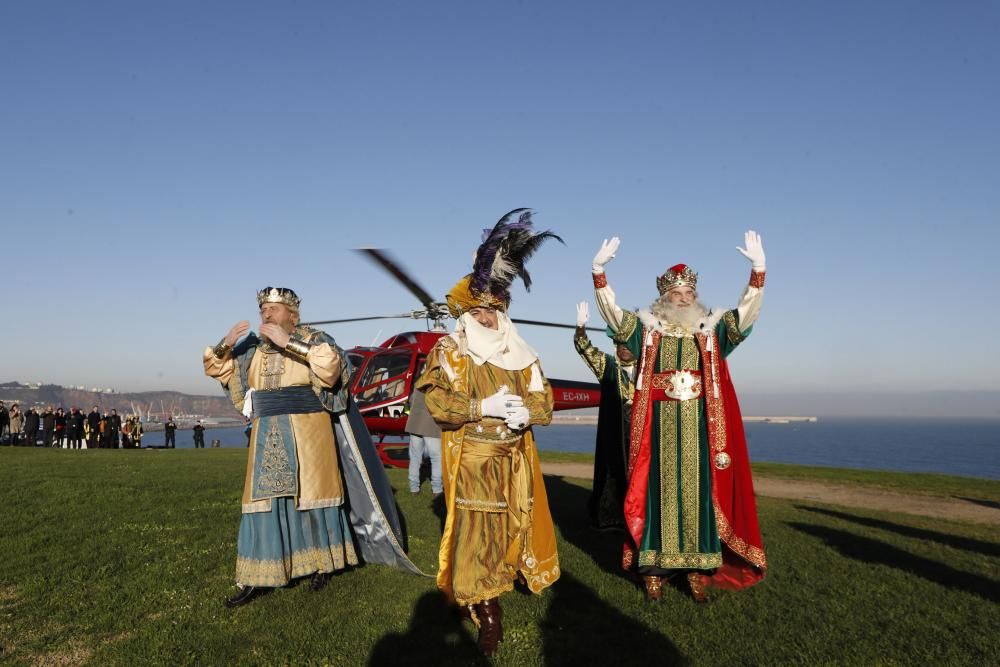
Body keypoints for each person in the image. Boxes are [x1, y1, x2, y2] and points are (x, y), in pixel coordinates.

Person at [203, 286, 421, 608]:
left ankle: (322, 564)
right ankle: (256, 576)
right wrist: (226, 343)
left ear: (292, 314)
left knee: (314, 497)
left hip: (309, 431)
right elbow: (216, 368)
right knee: (261, 502)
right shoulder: (252, 349)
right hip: (268, 432)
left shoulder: (315, 339)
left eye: (273, 309)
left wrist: (287, 342)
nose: (266, 314)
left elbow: (332, 370)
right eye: (263, 309)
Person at [591, 232, 768, 603]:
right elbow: (614, 315)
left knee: (700, 494)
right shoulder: (647, 329)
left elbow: (746, 315)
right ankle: (654, 571)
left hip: (702, 427)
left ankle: (695, 570)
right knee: (657, 493)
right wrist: (599, 274)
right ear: (664, 297)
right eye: (677, 294)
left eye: (689, 293)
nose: (684, 299)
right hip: (657, 428)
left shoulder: (712, 330)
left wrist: (758, 270)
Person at [416, 210, 562, 656]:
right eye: (478, 311)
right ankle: (488, 610)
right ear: (464, 314)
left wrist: (526, 414)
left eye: (493, 311)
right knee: (477, 534)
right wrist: (483, 407)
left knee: (509, 531)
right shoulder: (450, 351)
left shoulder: (522, 352)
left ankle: (477, 593)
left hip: (515, 458)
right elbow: (437, 403)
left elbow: (547, 402)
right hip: (475, 458)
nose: (487, 319)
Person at [573, 302, 635, 531]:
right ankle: (611, 518)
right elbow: (584, 348)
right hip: (615, 432)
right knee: (613, 473)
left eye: (628, 343)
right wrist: (581, 328)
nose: (623, 348)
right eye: (619, 344)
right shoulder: (607, 366)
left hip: (643, 434)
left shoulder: (650, 369)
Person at [405, 376, 443, 497]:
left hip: (415, 422)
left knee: (415, 457)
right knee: (436, 458)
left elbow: (411, 400)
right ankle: (437, 489)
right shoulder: (439, 383)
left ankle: (413, 488)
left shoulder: (418, 382)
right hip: (430, 424)